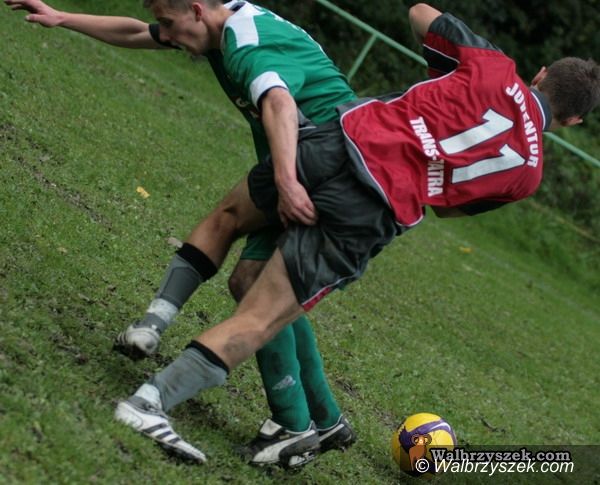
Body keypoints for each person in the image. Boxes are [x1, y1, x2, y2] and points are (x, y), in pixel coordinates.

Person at [5, 0, 358, 467]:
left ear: (196, 10)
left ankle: (166, 347)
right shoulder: (219, 27)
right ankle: (321, 420)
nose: (167, 35)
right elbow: (138, 33)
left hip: (325, 165)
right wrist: (62, 17)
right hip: (329, 162)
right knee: (253, 283)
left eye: (170, 24)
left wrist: (287, 182)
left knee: (228, 225)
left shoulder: (246, 42)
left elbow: (279, 101)